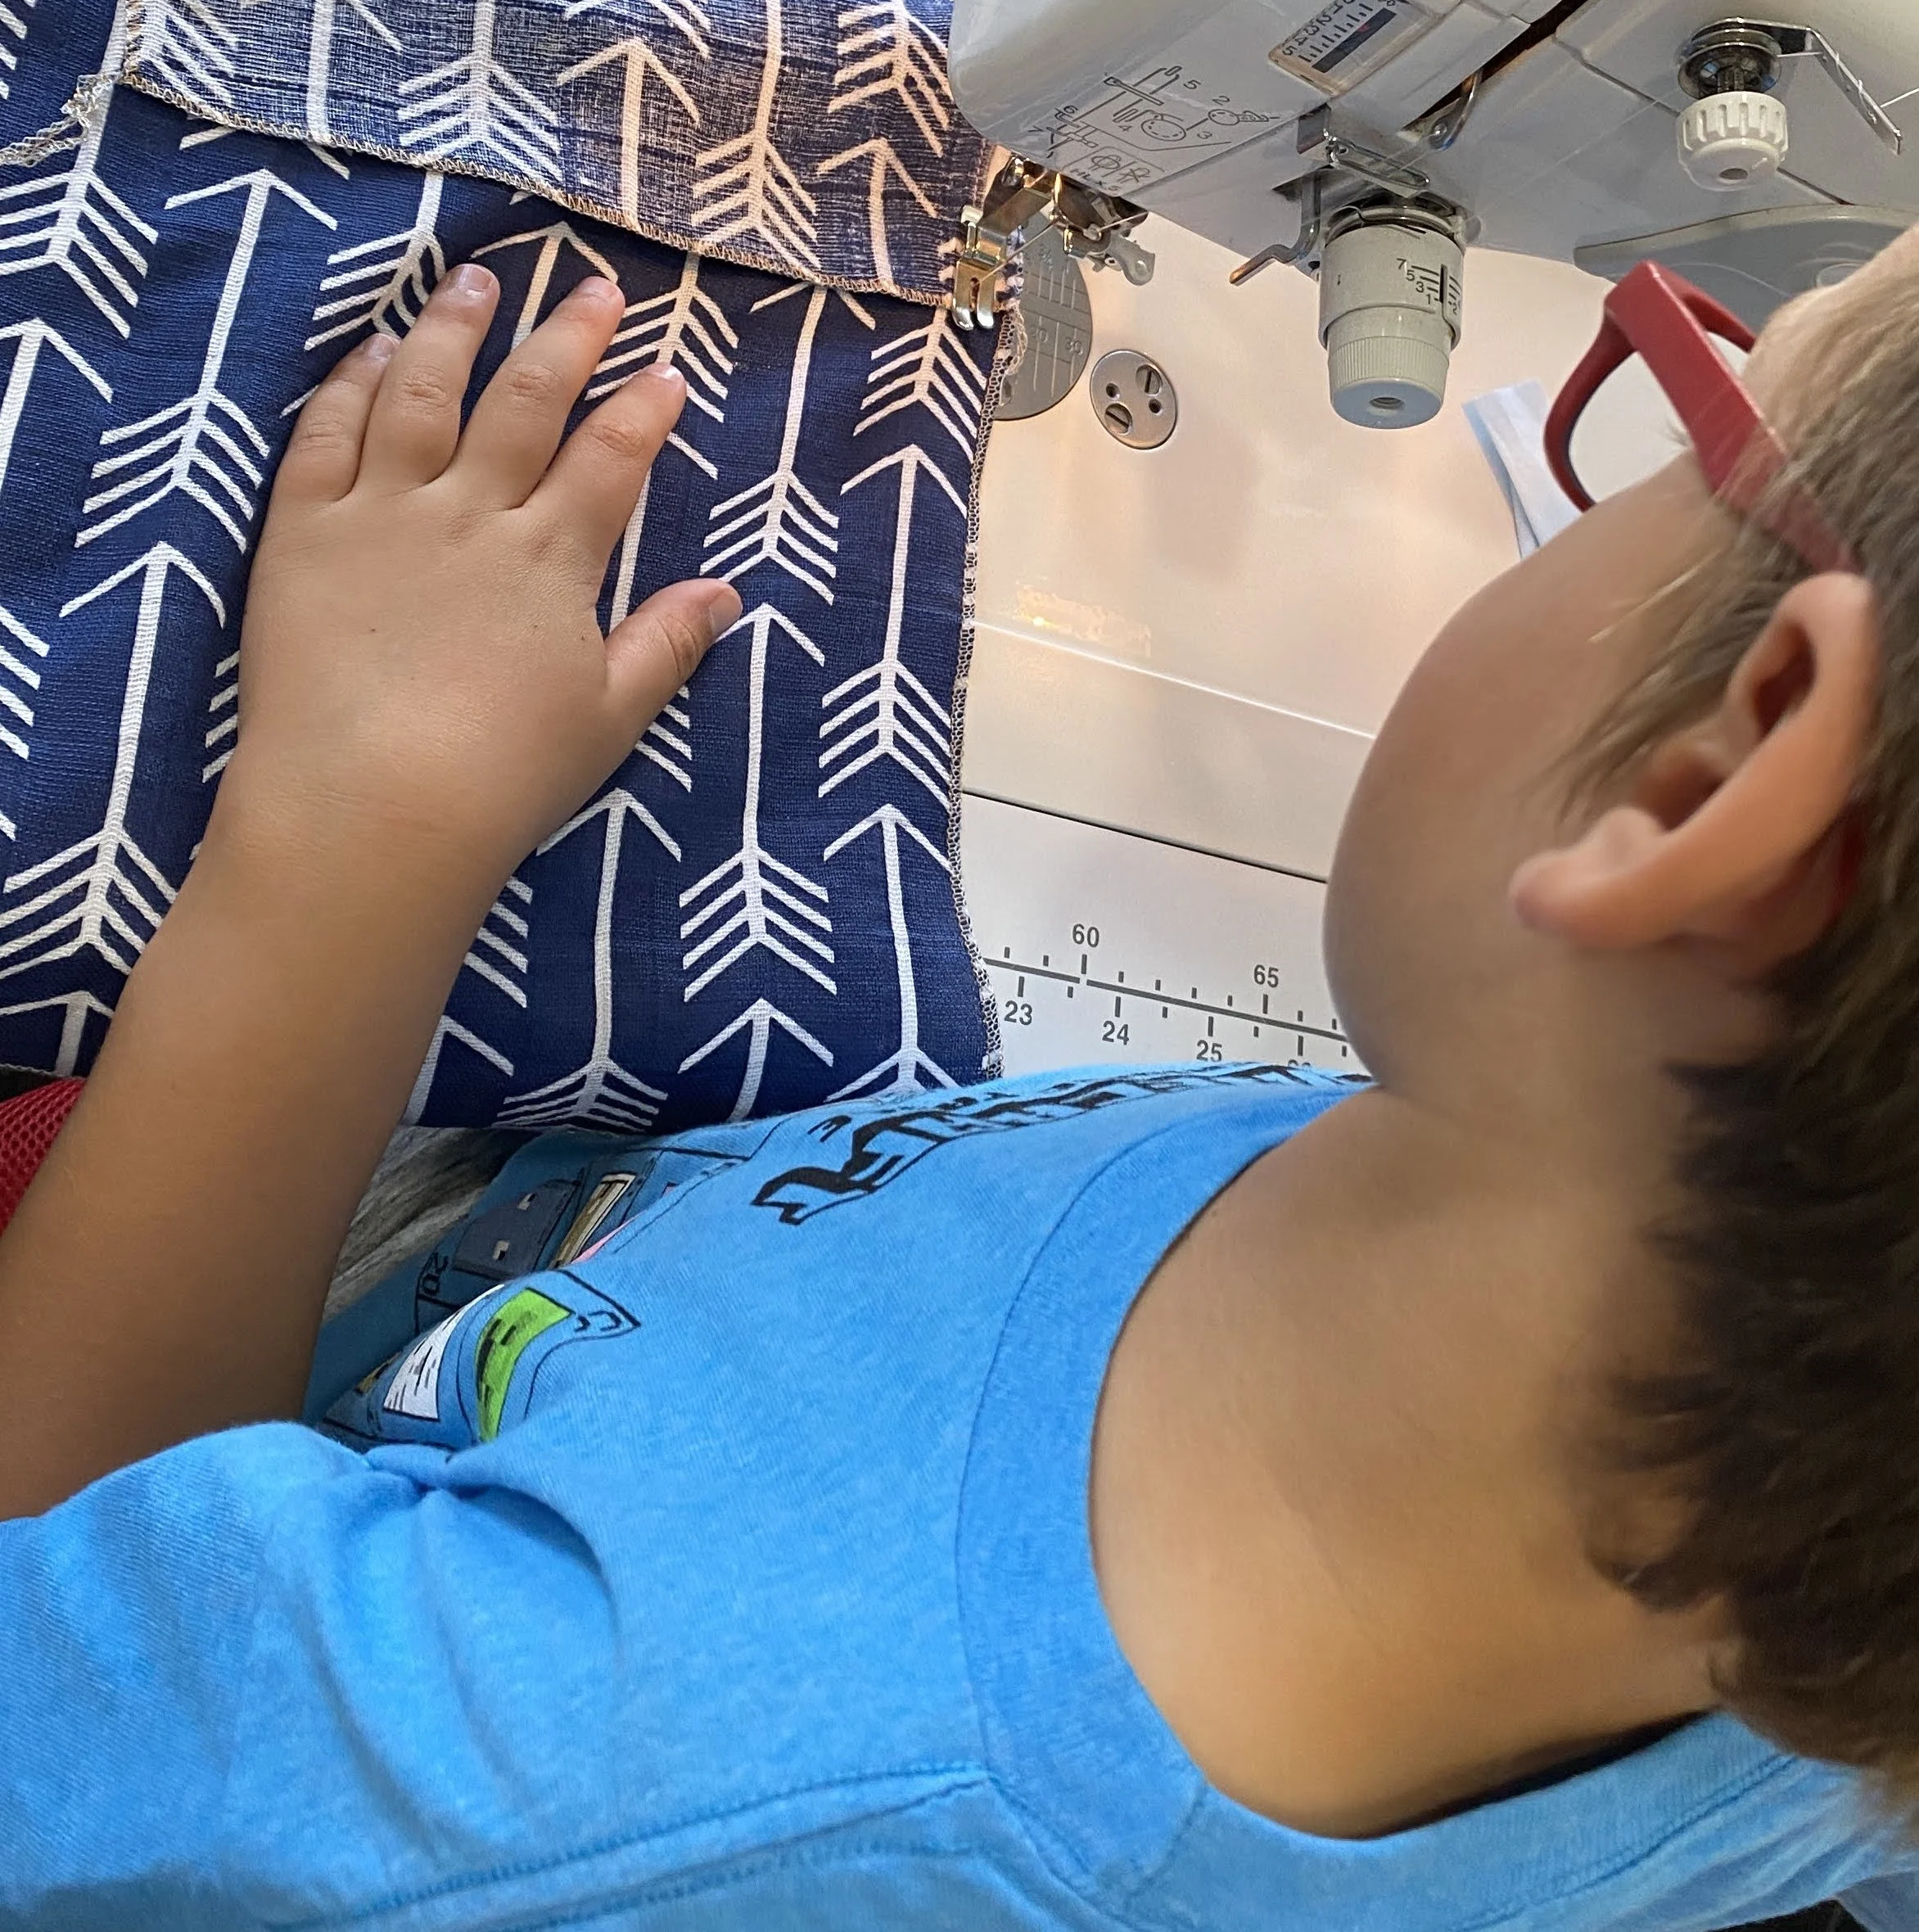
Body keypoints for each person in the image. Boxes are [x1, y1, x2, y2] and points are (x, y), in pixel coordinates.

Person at [2, 242, 1917, 1932]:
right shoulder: (1814, 1660)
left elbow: (50, 1665)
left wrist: (355, 831)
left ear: (1715, 783)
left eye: (1689, 400)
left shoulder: (588, 1757)